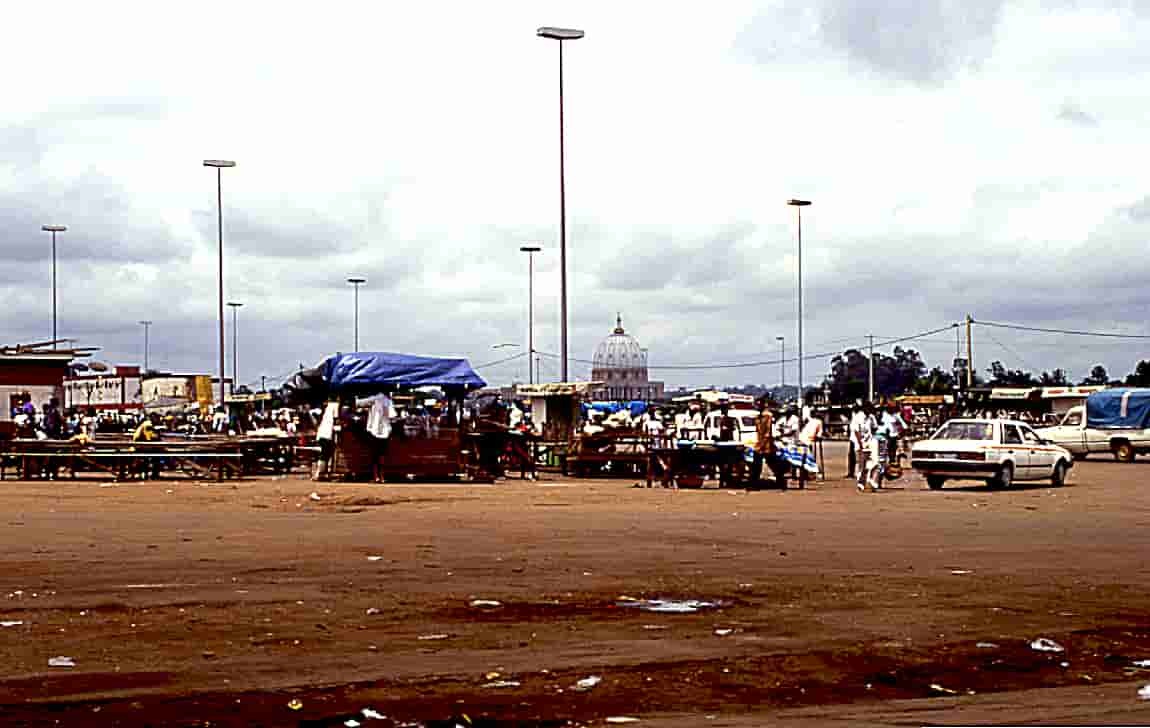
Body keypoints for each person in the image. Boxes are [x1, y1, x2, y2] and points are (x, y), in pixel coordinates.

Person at [846, 404, 864, 479]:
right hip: (852, 438)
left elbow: (858, 429)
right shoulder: (853, 414)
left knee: (860, 457)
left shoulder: (861, 415)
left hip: (858, 438)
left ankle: (860, 473)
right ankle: (851, 472)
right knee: (851, 456)